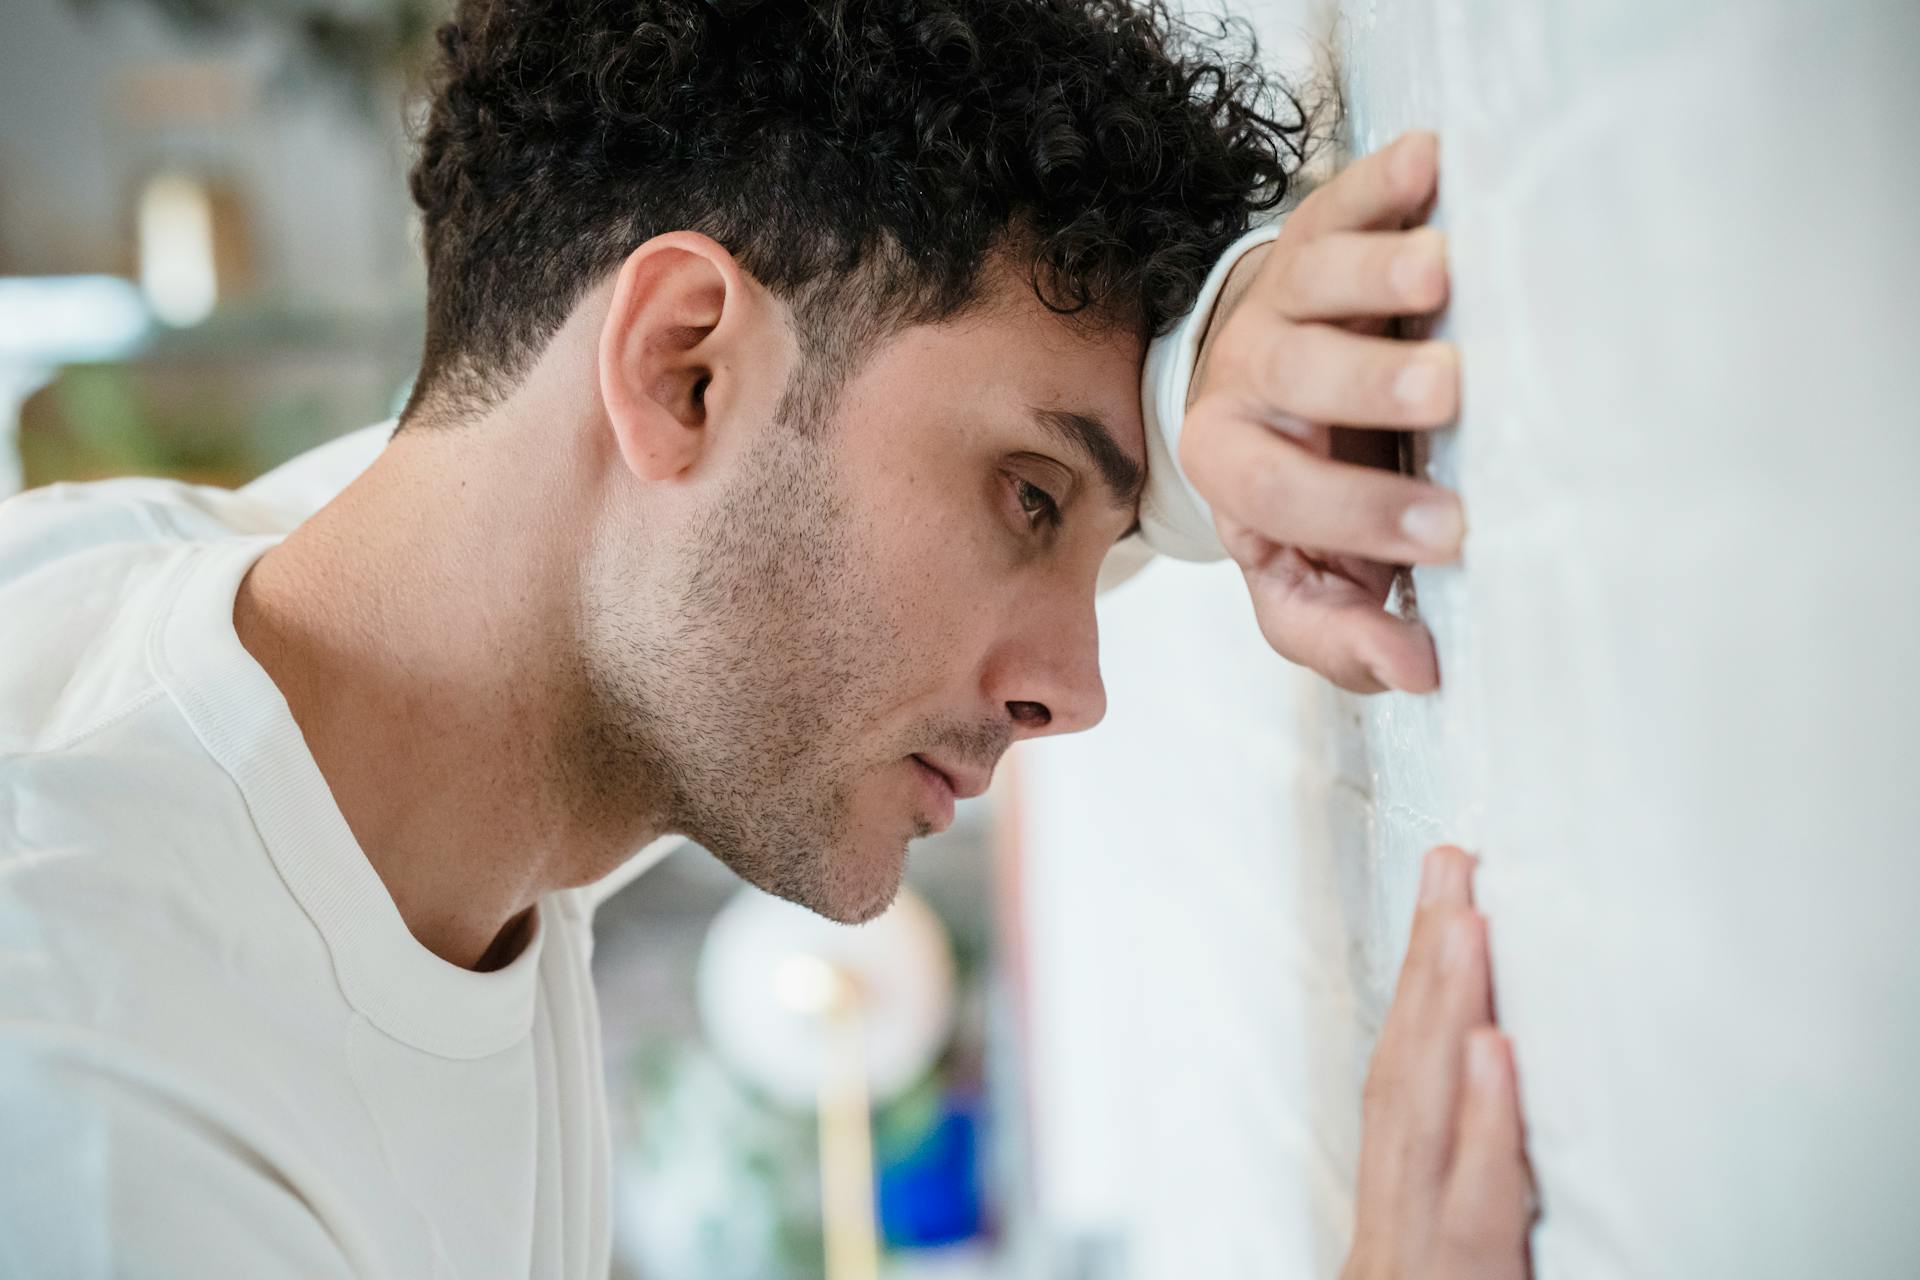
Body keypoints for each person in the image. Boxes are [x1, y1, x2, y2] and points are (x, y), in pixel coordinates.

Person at [0, 0, 1520, 1274]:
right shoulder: (96, 1114)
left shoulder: (253, 610)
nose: (1076, 691)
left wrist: (1212, 372)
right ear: (686, 375)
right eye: (1029, 497)